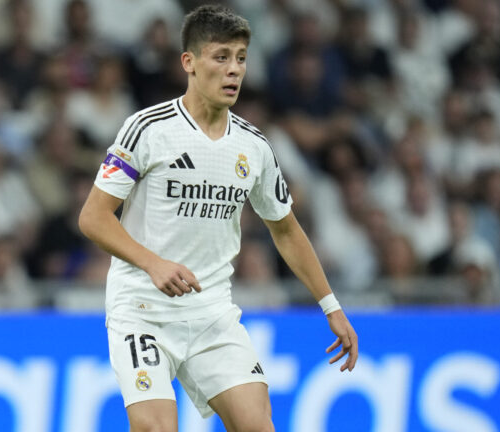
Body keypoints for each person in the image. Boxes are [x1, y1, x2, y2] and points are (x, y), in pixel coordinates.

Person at [78, 5, 358, 431]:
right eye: (221, 57)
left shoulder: (254, 146)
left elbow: (285, 229)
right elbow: (93, 218)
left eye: (241, 58)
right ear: (189, 63)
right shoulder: (148, 129)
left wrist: (331, 306)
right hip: (142, 310)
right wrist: (153, 264)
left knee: (259, 425)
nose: (234, 70)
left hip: (212, 314)